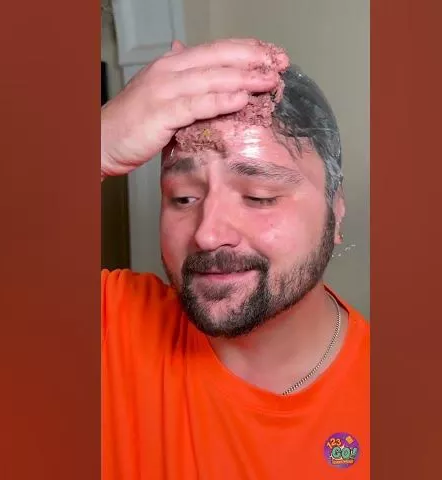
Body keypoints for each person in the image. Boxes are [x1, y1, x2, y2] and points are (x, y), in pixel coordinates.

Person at [101, 38, 369, 479]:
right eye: (183, 198)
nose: (207, 234)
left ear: (335, 210)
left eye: (259, 197)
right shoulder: (113, 329)